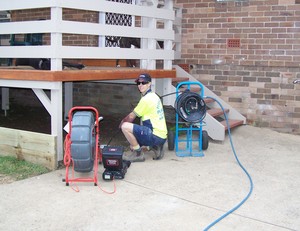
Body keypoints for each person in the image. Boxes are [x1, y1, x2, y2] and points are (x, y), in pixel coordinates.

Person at [119, 73, 167, 162]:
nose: (140, 85)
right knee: (132, 144)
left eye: (143, 82)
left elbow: (131, 117)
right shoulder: (154, 95)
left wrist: (121, 123)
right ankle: (155, 147)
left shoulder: (146, 99)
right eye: (138, 83)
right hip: (162, 136)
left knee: (125, 127)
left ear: (149, 84)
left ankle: (138, 154)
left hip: (155, 135)